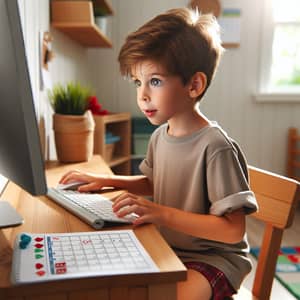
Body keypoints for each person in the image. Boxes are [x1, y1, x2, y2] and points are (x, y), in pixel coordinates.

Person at [60, 8, 258, 300]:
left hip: (213, 260)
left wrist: (160, 213)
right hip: (169, 246)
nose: (142, 95)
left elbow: (232, 230)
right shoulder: (159, 137)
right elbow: (155, 182)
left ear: (194, 85)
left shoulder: (216, 147)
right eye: (138, 82)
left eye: (155, 81)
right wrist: (108, 180)